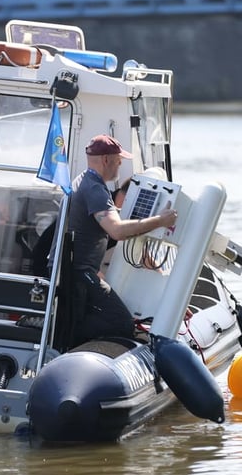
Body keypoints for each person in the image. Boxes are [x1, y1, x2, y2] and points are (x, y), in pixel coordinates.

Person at [65, 134, 178, 345]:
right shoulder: (95, 189)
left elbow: (107, 216)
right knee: (121, 323)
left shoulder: (85, 180)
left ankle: (68, 329)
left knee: (98, 314)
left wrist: (140, 216)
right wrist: (160, 220)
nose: (120, 166)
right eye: (119, 161)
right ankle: (66, 333)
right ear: (107, 160)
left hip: (73, 268)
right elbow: (116, 231)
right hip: (80, 271)